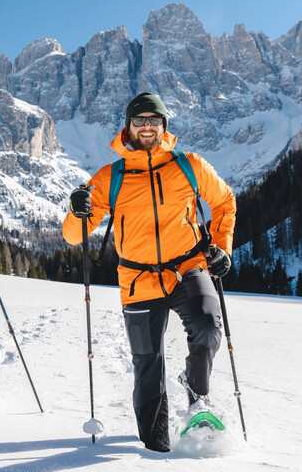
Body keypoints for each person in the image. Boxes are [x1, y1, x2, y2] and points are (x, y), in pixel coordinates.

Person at [62, 92, 236, 452]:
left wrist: (221, 248)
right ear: (128, 127)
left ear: (164, 126)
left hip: (188, 267)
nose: (147, 126)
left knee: (207, 326)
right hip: (138, 280)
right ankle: (154, 449)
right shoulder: (110, 177)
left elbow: (224, 201)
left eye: (154, 120)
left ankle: (197, 392)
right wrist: (77, 211)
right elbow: (73, 236)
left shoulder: (189, 165)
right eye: (139, 120)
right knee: (147, 365)